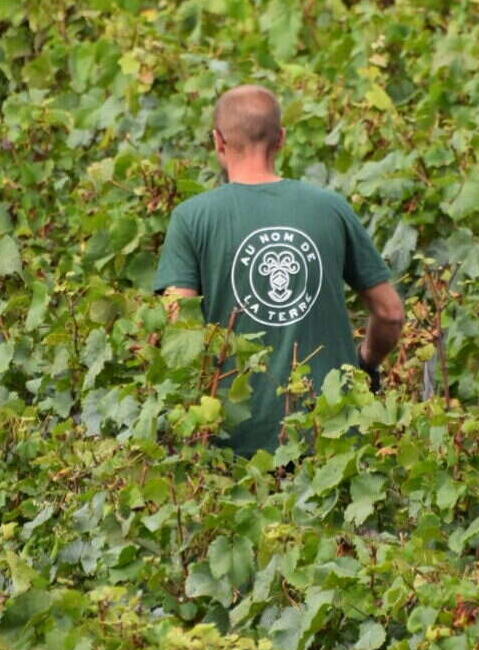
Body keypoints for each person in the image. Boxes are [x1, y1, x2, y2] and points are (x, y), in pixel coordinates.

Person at [153, 84, 405, 457]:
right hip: (329, 437)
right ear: (281, 139)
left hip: (231, 444)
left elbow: (178, 331)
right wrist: (365, 362)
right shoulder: (330, 208)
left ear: (218, 141)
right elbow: (390, 313)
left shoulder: (192, 218)